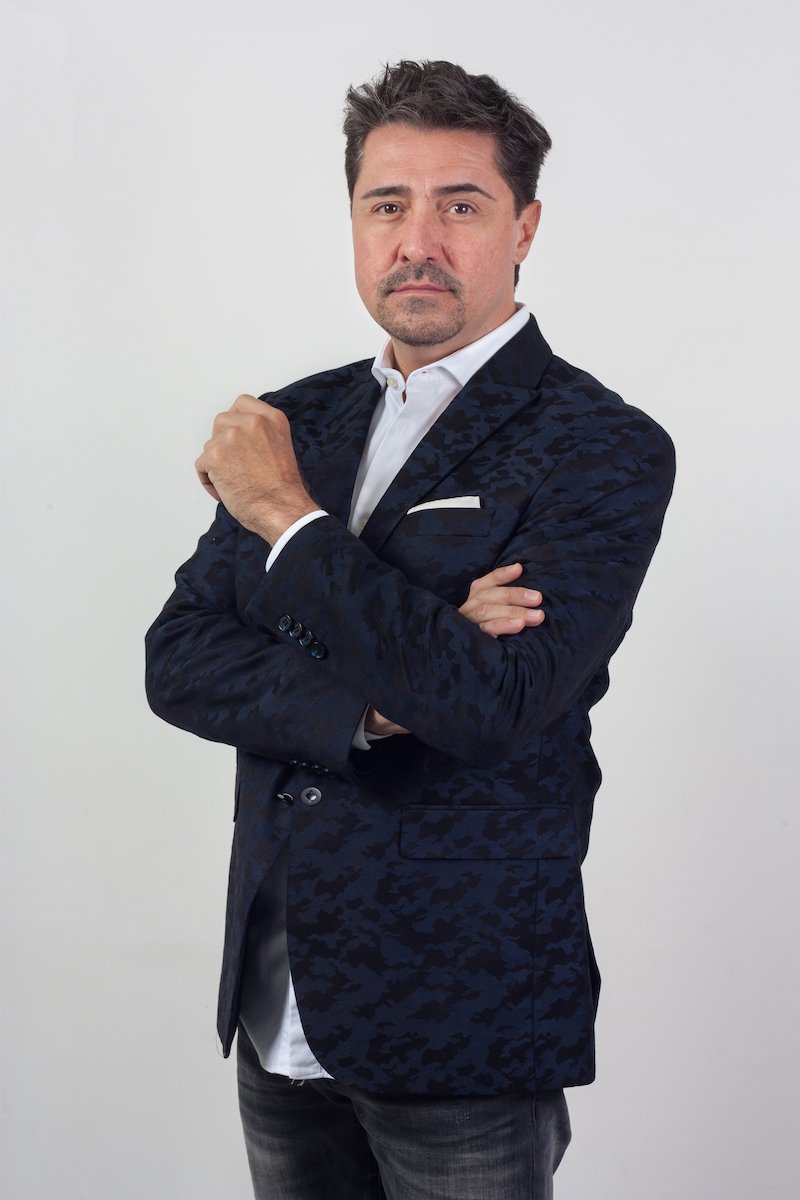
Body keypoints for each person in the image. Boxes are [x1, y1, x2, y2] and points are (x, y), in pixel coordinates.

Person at [145, 59, 675, 1200]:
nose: (416, 242)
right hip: (277, 996)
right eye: (387, 204)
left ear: (524, 228)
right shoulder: (293, 419)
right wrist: (388, 696)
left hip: (463, 1015)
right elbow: (179, 660)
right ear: (353, 220)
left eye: (461, 206)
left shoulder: (601, 445)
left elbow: (491, 705)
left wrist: (287, 521)